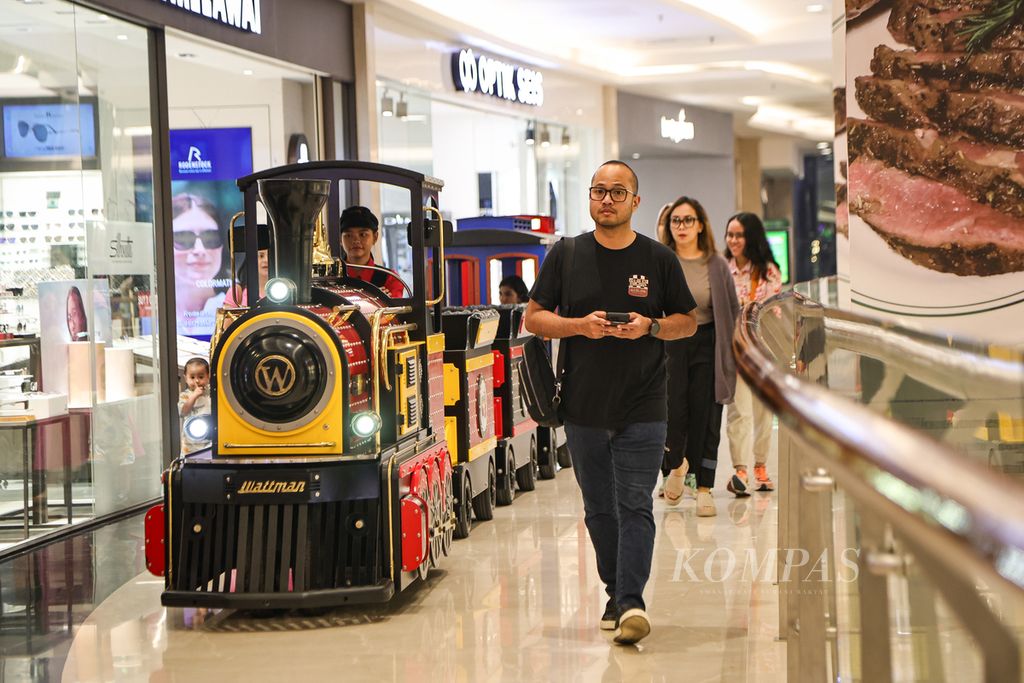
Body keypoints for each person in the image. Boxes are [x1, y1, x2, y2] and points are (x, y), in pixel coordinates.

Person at [524, 160, 697, 646]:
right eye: (599, 191)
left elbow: (687, 320)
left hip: (645, 404)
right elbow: (534, 318)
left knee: (635, 503)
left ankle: (631, 603)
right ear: (590, 198)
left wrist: (652, 326)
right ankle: (614, 590)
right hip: (582, 407)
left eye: (618, 193)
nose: (607, 200)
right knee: (600, 509)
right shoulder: (567, 254)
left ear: (635, 202)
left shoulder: (659, 259)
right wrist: (580, 325)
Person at [660, 196, 740, 518]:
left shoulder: (716, 264)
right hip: (671, 342)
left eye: (688, 220)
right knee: (672, 413)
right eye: (676, 221)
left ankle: (705, 487)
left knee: (706, 417)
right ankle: (677, 468)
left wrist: (735, 354)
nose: (681, 226)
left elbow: (731, 311)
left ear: (700, 225)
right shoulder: (662, 260)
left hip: (708, 343)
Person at [724, 212, 782, 495]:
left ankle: (760, 466)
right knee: (739, 412)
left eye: (739, 235)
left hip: (764, 351)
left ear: (752, 238)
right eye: (730, 235)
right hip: (734, 351)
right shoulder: (722, 269)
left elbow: (774, 312)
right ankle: (740, 471)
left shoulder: (769, 271)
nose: (733, 240)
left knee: (762, 412)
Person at [172, 193, 227, 336]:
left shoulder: (236, 303)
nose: (200, 250)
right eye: (183, 238)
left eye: (210, 238)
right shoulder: (153, 311)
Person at [339, 205, 405, 298]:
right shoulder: (331, 277)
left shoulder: (390, 278)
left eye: (363, 234)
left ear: (375, 237)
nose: (356, 240)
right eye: (349, 235)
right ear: (340, 239)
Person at [178, 357, 211, 455]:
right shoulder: (185, 395)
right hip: (191, 443)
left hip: (210, 440)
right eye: (192, 377)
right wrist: (194, 396)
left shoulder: (212, 393)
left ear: (208, 376)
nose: (196, 381)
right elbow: (183, 412)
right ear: (185, 378)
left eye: (201, 377)